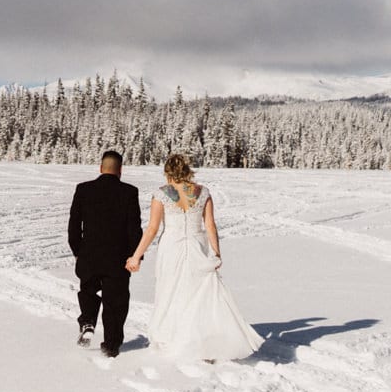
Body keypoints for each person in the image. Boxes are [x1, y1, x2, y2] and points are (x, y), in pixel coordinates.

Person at [125, 153, 263, 360]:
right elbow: (210, 225)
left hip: (171, 247)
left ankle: (172, 338)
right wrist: (216, 253)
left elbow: (152, 229)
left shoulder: (161, 194)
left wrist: (136, 256)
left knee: (170, 291)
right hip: (197, 246)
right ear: (188, 171)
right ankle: (200, 339)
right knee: (198, 293)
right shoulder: (202, 192)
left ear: (167, 172)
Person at [68, 150, 143, 358]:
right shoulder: (129, 192)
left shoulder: (84, 189)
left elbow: (74, 226)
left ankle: (88, 321)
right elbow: (134, 229)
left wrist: (78, 251)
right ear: (120, 171)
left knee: (88, 291)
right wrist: (135, 256)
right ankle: (111, 344)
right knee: (115, 302)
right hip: (118, 259)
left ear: (101, 168)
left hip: (89, 256)